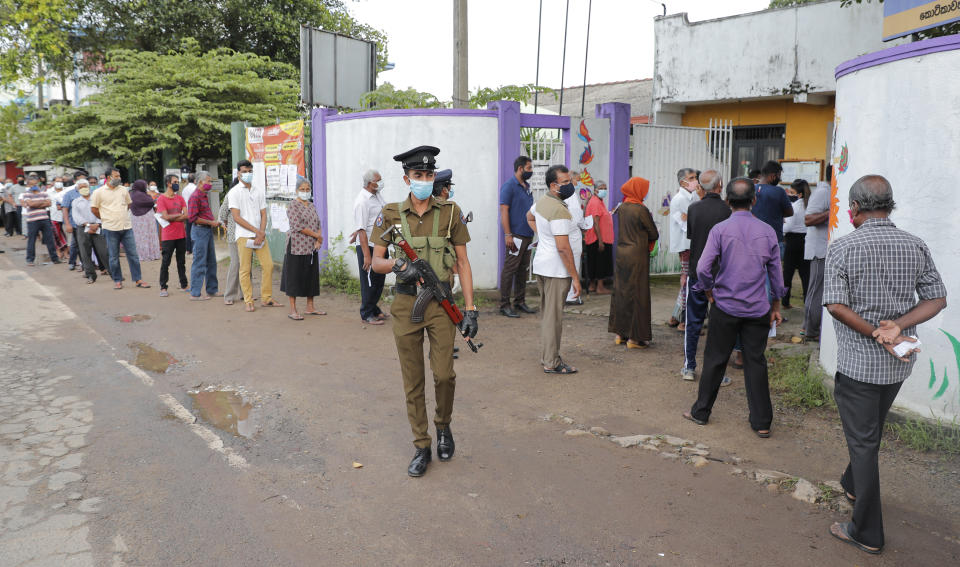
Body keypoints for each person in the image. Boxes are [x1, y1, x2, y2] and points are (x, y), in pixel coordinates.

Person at [823, 175, 946, 555]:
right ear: (889, 206)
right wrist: (898, 326)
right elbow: (936, 299)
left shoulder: (843, 247)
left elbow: (835, 305)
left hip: (860, 367)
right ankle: (853, 483)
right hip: (897, 365)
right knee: (868, 433)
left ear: (854, 209)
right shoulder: (915, 244)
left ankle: (867, 532)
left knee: (863, 443)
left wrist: (876, 331)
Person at [368, 145, 477, 478]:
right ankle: (421, 445)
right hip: (405, 304)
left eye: (429, 175)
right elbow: (375, 261)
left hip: (441, 304)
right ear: (407, 178)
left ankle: (443, 426)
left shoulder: (450, 211)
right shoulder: (389, 214)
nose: (425, 180)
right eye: (418, 175)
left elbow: (462, 261)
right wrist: (399, 265)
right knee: (412, 380)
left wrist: (470, 309)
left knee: (444, 374)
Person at [683, 178, 784, 437]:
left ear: (727, 201)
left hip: (725, 306)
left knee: (715, 359)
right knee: (755, 362)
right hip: (757, 309)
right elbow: (776, 275)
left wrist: (708, 290)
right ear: (754, 200)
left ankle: (701, 412)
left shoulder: (720, 230)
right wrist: (776, 304)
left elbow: (703, 268)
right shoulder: (767, 231)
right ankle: (762, 422)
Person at [527, 164, 582, 374]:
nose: (570, 185)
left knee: (548, 315)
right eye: (566, 182)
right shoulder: (559, 210)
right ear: (554, 185)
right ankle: (552, 361)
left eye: (570, 181)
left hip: (541, 265)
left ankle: (547, 356)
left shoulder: (543, 201)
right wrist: (575, 277)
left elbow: (529, 218)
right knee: (554, 317)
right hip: (556, 271)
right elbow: (563, 248)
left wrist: (543, 236)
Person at [682, 170, 732, 382]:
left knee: (693, 321)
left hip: (697, 273)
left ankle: (689, 367)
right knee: (719, 325)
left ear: (701, 187)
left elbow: (693, 236)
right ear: (720, 185)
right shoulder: (729, 212)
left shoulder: (693, 209)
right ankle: (717, 373)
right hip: (722, 275)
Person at [608, 177, 660, 349]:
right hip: (637, 255)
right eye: (644, 189)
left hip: (622, 253)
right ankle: (634, 339)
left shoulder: (622, 207)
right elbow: (654, 233)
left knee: (622, 292)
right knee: (638, 294)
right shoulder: (640, 209)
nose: (646, 192)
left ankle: (620, 334)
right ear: (638, 190)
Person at [230, 159, 281, 311]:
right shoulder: (234, 192)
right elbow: (236, 217)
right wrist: (256, 231)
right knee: (245, 269)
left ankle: (266, 298)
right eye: (244, 172)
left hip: (260, 236)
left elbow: (264, 213)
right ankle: (248, 300)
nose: (247, 174)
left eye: (250, 171)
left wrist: (261, 232)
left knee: (269, 265)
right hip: (244, 236)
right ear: (238, 173)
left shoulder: (258, 191)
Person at [91, 168, 150, 289]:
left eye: (119, 176)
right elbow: (94, 209)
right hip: (110, 228)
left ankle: (138, 279)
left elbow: (129, 205)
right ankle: (117, 280)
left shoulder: (123, 190)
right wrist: (106, 218)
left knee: (133, 255)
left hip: (126, 227)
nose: (119, 178)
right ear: (108, 178)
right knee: (113, 256)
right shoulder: (99, 192)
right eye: (116, 176)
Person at [498, 156, 537, 317]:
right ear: (520, 168)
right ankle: (504, 305)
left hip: (527, 236)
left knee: (523, 269)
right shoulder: (509, 186)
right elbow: (504, 211)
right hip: (515, 236)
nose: (531, 171)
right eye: (529, 168)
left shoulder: (526, 187)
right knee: (510, 269)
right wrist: (508, 235)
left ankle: (520, 301)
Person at [281, 177, 324, 320]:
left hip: (311, 247)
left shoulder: (311, 205)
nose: (305, 192)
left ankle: (310, 307)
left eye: (307, 189)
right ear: (297, 191)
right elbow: (297, 226)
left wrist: (319, 238)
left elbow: (318, 223)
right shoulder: (293, 205)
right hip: (296, 246)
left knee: (311, 276)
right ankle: (293, 309)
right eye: (302, 189)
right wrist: (317, 236)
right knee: (294, 276)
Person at [351, 169, 387, 325]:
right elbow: (362, 230)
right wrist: (367, 255)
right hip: (369, 246)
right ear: (370, 183)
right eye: (378, 180)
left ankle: (374, 308)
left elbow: (372, 220)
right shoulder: (362, 201)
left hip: (380, 244)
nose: (380, 182)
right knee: (369, 281)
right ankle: (366, 313)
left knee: (379, 279)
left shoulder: (377, 195)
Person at [668, 168, 700, 331]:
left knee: (686, 278)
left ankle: (675, 316)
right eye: (692, 178)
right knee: (686, 279)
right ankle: (683, 320)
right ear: (683, 182)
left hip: (690, 243)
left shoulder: (692, 195)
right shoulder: (679, 199)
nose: (695, 180)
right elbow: (688, 222)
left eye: (695, 177)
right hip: (685, 243)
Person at [802, 174, 831, 341]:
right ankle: (810, 330)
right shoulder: (823, 192)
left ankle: (810, 327)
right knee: (816, 291)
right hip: (819, 250)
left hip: (825, 249)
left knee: (820, 290)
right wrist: (831, 212)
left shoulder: (827, 192)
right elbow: (808, 219)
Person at [187, 172, 220, 300]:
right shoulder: (195, 196)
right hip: (200, 231)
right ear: (200, 182)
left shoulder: (203, 195)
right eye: (208, 181)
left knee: (211, 261)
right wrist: (211, 222)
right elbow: (193, 218)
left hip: (206, 231)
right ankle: (195, 293)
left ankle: (212, 289)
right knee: (199, 262)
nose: (210, 184)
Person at [156, 174, 189, 297]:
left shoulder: (180, 198)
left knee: (181, 261)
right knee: (166, 262)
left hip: (181, 234)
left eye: (178, 181)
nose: (177, 184)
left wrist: (171, 217)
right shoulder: (161, 199)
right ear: (168, 183)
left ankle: (184, 284)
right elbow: (164, 217)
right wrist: (178, 216)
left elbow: (187, 215)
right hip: (168, 236)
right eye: (175, 181)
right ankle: (163, 287)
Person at [71, 180, 110, 284]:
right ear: (77, 190)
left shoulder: (96, 199)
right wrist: (88, 225)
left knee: (104, 251)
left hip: (98, 226)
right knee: (85, 253)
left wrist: (97, 224)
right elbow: (76, 217)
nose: (83, 188)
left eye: (85, 186)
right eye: (81, 187)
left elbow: (102, 211)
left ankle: (113, 272)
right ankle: (90, 275)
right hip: (83, 228)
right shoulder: (76, 202)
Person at [752, 160, 793, 256]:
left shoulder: (750, 189)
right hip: (773, 240)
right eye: (779, 176)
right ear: (773, 176)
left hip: (753, 239)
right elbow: (790, 212)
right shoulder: (779, 192)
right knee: (773, 270)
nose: (780, 179)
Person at [781, 179, 810, 309]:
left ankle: (785, 301)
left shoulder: (794, 207)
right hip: (805, 241)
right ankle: (807, 302)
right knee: (805, 275)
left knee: (787, 273)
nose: (789, 194)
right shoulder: (809, 206)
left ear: (799, 194)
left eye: (792, 192)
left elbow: (788, 227)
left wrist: (780, 229)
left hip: (792, 241)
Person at [563, 171, 591, 306]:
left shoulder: (571, 195)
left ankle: (569, 294)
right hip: (571, 236)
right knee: (572, 266)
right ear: (571, 179)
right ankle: (571, 296)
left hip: (572, 234)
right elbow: (575, 217)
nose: (579, 183)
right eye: (577, 180)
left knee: (569, 266)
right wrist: (583, 224)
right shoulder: (570, 196)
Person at [21, 175, 61, 266]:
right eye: (32, 184)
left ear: (38, 183)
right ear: (29, 184)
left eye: (36, 183)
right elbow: (31, 204)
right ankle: (30, 260)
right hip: (32, 220)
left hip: (44, 219)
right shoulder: (26, 194)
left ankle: (55, 258)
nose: (34, 185)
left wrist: (36, 203)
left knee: (50, 239)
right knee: (32, 240)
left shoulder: (44, 193)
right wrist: (42, 203)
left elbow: (49, 203)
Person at [583, 180, 613, 294]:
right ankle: (600, 287)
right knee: (601, 263)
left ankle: (592, 285)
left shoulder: (598, 201)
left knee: (594, 262)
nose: (604, 190)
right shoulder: (595, 202)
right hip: (599, 238)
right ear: (595, 190)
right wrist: (601, 241)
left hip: (595, 238)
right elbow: (596, 222)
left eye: (605, 188)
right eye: (602, 188)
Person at [217, 186, 242, 306]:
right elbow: (222, 214)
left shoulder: (250, 194)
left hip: (247, 235)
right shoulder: (231, 194)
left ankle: (245, 293)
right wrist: (227, 224)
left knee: (245, 263)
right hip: (234, 234)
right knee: (236, 263)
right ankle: (229, 295)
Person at [60, 171, 88, 271]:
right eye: (80, 180)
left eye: (85, 179)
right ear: (75, 181)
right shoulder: (70, 194)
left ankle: (82, 264)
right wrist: (67, 224)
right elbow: (65, 209)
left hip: (87, 224)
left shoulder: (90, 192)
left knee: (82, 244)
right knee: (76, 244)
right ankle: (76, 263)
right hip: (74, 224)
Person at [130, 180, 161, 262]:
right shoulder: (141, 195)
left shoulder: (132, 194)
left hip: (136, 219)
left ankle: (141, 254)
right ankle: (150, 254)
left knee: (139, 237)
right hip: (146, 219)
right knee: (148, 235)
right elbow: (151, 202)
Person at [48, 177, 69, 261]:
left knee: (67, 235)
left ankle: (66, 252)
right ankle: (58, 251)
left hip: (66, 216)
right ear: (53, 182)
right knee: (56, 235)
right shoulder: (49, 192)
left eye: (61, 181)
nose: (59, 183)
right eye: (57, 181)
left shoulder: (67, 190)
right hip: (54, 216)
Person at [181, 172, 197, 253]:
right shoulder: (196, 188)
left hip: (186, 211)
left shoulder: (184, 189)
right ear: (195, 180)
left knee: (188, 230)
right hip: (194, 211)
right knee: (195, 230)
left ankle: (188, 249)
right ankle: (194, 247)